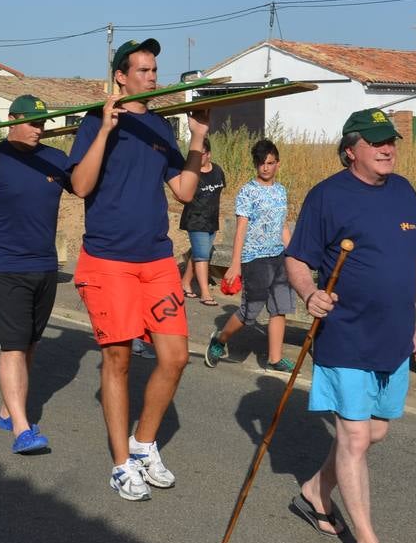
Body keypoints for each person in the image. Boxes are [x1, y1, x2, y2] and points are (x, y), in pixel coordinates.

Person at [284, 108, 416, 543]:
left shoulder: (405, 192)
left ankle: (313, 491)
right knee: (353, 438)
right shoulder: (327, 196)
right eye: (375, 142)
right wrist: (311, 293)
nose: (388, 148)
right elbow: (298, 259)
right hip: (346, 334)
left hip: (393, 336)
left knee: (374, 433)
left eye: (390, 140)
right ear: (352, 149)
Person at [68, 38, 209, 501]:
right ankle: (120, 464)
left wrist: (197, 140)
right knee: (119, 358)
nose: (152, 76)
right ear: (121, 77)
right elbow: (80, 184)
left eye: (154, 69)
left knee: (174, 357)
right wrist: (107, 130)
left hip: (156, 261)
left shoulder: (162, 129)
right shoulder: (95, 121)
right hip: (108, 261)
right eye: (143, 70)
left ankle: (144, 444)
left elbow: (185, 191)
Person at [0, 95, 69, 452]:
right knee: (13, 346)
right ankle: (22, 429)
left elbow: (85, 186)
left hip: (45, 264)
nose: (39, 128)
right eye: (32, 122)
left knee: (30, 343)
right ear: (11, 121)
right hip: (4, 265)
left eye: (43, 123)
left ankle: (9, 408)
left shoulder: (54, 158)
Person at [206, 139, 294, 371]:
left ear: (278, 164)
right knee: (251, 310)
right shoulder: (248, 191)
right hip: (255, 259)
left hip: (279, 258)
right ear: (256, 164)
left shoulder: (281, 191)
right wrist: (235, 264)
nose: (266, 167)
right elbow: (241, 228)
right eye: (261, 163)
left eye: (270, 163)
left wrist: (294, 254)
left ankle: (275, 359)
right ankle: (219, 340)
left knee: (279, 307)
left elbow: (282, 225)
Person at [179, 136, 225, 306]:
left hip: (212, 221)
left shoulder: (218, 171)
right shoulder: (191, 174)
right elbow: (181, 195)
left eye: (202, 154)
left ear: (209, 154)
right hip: (195, 220)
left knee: (199, 253)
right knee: (202, 256)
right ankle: (205, 293)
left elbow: (219, 194)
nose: (199, 159)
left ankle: (184, 283)